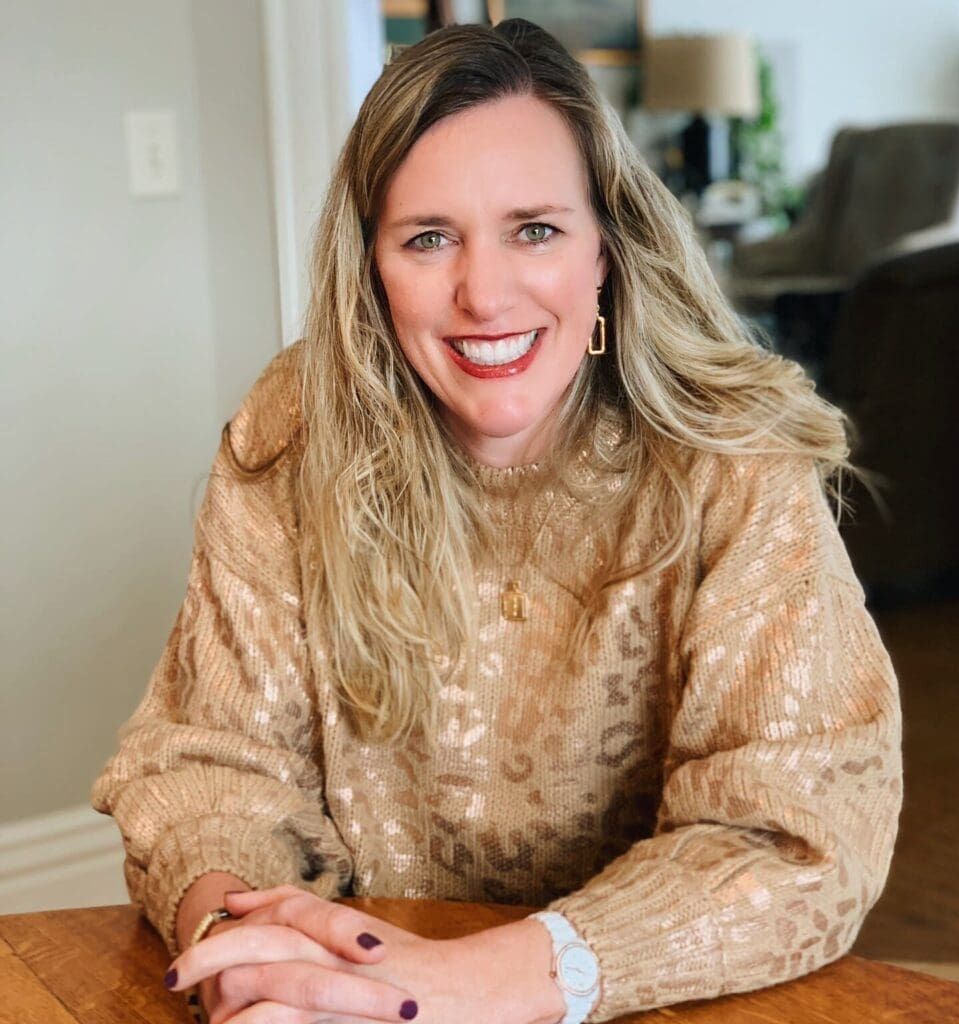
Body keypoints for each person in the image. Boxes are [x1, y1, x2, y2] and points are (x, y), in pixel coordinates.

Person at [91, 18, 902, 1024]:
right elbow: (211, 764)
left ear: (606, 249)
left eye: (535, 229)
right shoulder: (292, 433)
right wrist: (247, 952)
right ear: (373, 272)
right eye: (428, 238)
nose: (482, 292)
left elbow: (797, 835)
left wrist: (480, 982)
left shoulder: (731, 460)